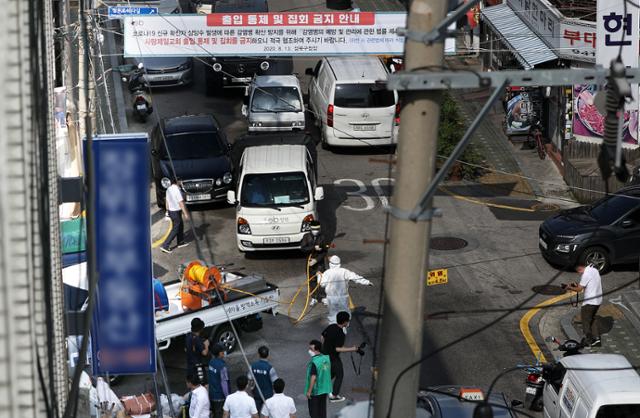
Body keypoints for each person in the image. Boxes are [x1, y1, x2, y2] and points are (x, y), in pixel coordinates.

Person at [318, 255, 372, 323]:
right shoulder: (344, 271)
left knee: (333, 315)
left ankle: (334, 328)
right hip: (343, 297)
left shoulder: (327, 273)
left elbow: (322, 284)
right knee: (345, 314)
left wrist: (319, 276)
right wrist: (367, 282)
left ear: (330, 264)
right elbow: (356, 277)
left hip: (331, 298)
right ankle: (344, 328)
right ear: (339, 263)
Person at [321, 311, 361, 402]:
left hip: (324, 353)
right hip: (333, 357)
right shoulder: (341, 334)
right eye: (348, 321)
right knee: (339, 374)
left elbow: (322, 336)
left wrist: (324, 347)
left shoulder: (331, 326)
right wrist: (352, 349)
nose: (348, 323)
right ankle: (334, 396)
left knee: (333, 372)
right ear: (345, 322)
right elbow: (338, 349)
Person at [566, 264, 603, 347]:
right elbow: (587, 284)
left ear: (579, 269)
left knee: (585, 321)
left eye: (578, 272)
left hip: (590, 302)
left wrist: (569, 287)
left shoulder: (585, 274)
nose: (579, 274)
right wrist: (576, 284)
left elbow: (579, 289)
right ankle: (596, 339)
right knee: (592, 319)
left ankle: (589, 340)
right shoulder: (594, 270)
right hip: (598, 301)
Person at [300, 221, 330, 306]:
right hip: (309, 263)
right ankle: (314, 297)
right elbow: (303, 248)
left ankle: (324, 297)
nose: (315, 231)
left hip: (319, 263)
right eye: (313, 229)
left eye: (317, 229)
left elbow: (325, 251)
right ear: (310, 229)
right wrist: (314, 248)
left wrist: (316, 260)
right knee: (311, 280)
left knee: (322, 280)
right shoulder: (306, 237)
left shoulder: (323, 237)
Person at [160, 177, 190, 253]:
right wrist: (186, 214)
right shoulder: (177, 190)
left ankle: (180, 242)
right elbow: (181, 203)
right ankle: (165, 245)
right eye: (180, 180)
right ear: (177, 181)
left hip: (171, 211)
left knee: (180, 225)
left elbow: (166, 201)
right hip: (176, 212)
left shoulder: (168, 189)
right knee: (175, 229)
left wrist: (167, 211)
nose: (181, 182)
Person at [305, 340, 332, 418]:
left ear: (317, 350)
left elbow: (313, 377)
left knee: (314, 413)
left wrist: (309, 391)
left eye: (311, 349)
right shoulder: (326, 358)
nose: (309, 351)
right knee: (322, 411)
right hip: (325, 389)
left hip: (316, 391)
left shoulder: (315, 362)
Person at [248, 345, 278, 414]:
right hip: (268, 395)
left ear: (258, 354)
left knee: (256, 413)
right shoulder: (270, 368)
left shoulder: (252, 366)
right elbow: (275, 382)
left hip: (256, 394)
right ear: (268, 355)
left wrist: (251, 389)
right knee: (267, 414)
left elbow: (250, 379)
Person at [209, 344, 231, 418]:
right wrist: (227, 396)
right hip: (220, 397)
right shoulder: (222, 367)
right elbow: (224, 383)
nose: (224, 353)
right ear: (220, 353)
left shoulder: (211, 362)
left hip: (212, 394)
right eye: (223, 351)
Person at [186, 318, 210, 382]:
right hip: (198, 366)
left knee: (193, 384)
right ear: (200, 328)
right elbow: (204, 353)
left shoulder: (188, 336)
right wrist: (206, 345)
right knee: (203, 384)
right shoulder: (197, 339)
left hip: (190, 365)